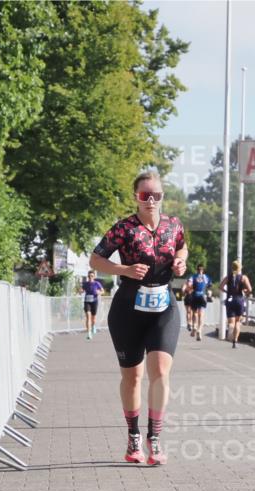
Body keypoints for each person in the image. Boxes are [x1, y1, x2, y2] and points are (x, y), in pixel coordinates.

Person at [89, 171, 187, 465]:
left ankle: (154, 439)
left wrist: (181, 261)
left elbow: (181, 245)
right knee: (133, 376)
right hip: (128, 307)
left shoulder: (173, 225)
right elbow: (95, 259)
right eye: (145, 195)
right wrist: (124, 270)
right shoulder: (124, 229)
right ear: (136, 197)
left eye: (156, 195)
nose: (151, 201)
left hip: (163, 306)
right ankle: (133, 438)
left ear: (162, 197)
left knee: (160, 371)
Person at [220, 260, 252, 349]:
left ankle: (230, 330)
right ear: (240, 268)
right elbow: (250, 289)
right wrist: (244, 291)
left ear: (232, 267)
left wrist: (227, 291)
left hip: (230, 299)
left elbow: (221, 287)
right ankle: (235, 341)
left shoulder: (228, 277)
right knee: (238, 322)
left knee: (231, 322)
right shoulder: (243, 277)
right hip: (239, 300)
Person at [186, 264, 211, 341]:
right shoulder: (206, 277)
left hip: (195, 295)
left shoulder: (193, 276)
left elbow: (189, 285)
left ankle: (194, 327)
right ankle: (199, 330)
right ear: (203, 270)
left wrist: (191, 288)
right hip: (202, 296)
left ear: (197, 270)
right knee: (201, 314)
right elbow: (209, 286)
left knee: (195, 313)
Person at [80, 270, 104, 340]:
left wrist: (99, 292)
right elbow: (81, 290)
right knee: (88, 316)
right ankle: (89, 333)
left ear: (94, 277)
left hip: (94, 301)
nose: (90, 277)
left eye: (92, 276)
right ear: (88, 277)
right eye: (89, 276)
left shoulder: (97, 283)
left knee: (93, 318)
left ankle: (93, 326)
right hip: (87, 301)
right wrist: (80, 290)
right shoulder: (85, 284)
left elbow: (103, 291)